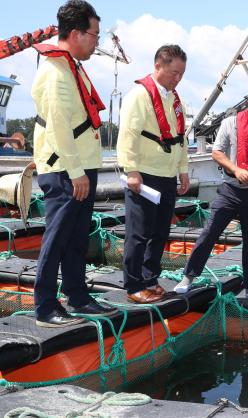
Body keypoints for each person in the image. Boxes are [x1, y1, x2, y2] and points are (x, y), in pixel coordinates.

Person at [32, 0, 115, 327]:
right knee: (58, 236)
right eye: (95, 35)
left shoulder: (71, 67)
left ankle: (77, 296)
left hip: (80, 165)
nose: (97, 42)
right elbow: (58, 126)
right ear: (77, 33)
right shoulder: (55, 73)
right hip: (66, 168)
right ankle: (45, 306)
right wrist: (76, 172)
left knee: (77, 236)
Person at [174, 82, 248, 302]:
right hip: (231, 190)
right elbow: (217, 152)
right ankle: (188, 277)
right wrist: (236, 169)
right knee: (209, 233)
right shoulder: (230, 123)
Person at [117, 45, 190, 304]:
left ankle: (150, 278)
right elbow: (128, 135)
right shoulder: (139, 95)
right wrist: (132, 171)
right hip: (145, 175)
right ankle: (133, 285)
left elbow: (180, 137)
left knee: (160, 231)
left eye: (181, 73)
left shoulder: (175, 99)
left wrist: (183, 170)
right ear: (158, 66)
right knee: (138, 233)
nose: (177, 78)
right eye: (173, 72)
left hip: (167, 174)